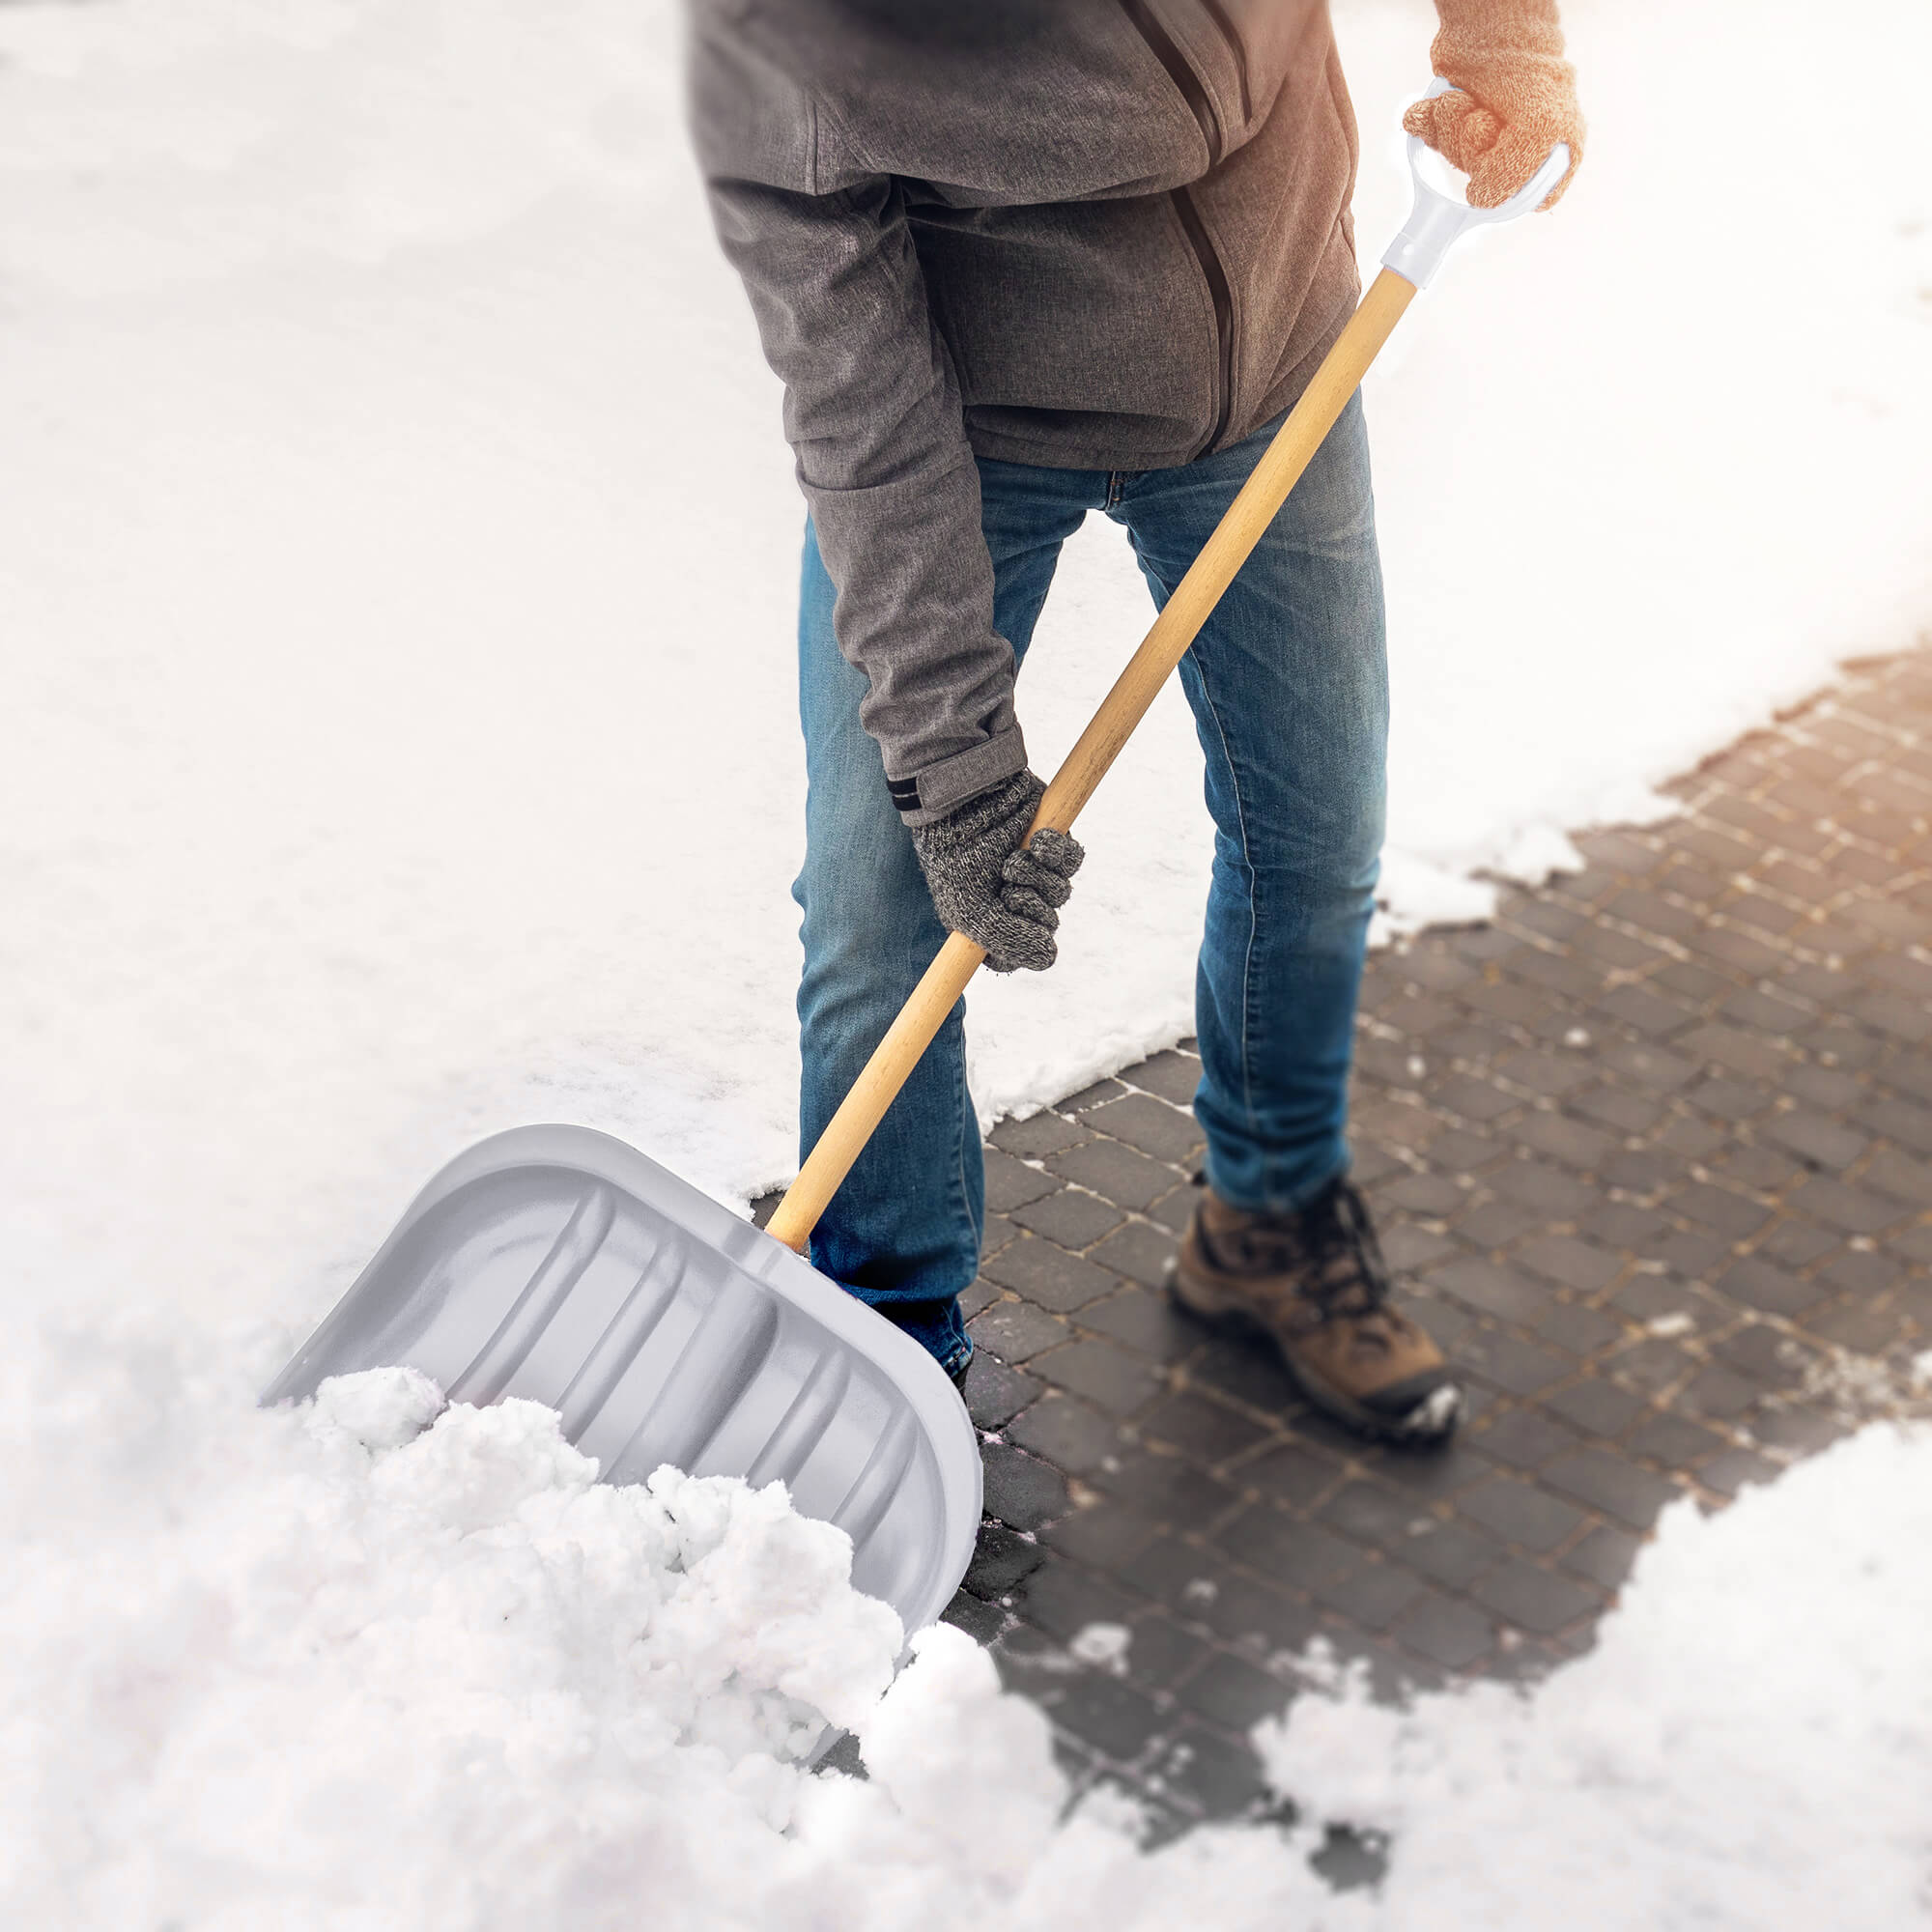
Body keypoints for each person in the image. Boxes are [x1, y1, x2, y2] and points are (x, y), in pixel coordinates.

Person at [688, 0, 1583, 1441]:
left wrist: (1506, 43)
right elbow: (863, 417)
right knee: (879, 902)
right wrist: (955, 774)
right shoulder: (784, 44)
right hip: (968, 435)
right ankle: (893, 1347)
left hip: (1278, 366)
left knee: (1315, 834)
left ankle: (1270, 1224)